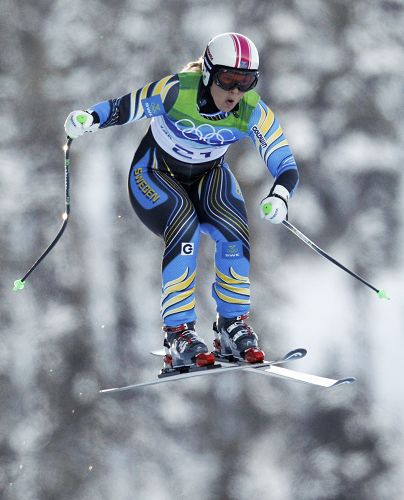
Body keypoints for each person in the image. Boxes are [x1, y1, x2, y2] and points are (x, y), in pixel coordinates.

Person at [64, 32, 299, 370]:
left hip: (207, 176)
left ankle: (232, 325)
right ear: (207, 72)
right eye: (228, 78)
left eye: (246, 81)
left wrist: (280, 195)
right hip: (155, 174)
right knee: (184, 228)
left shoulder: (250, 110)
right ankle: (178, 332)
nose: (235, 91)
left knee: (234, 231)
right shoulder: (177, 91)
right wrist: (89, 118)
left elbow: (284, 163)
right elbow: (122, 108)